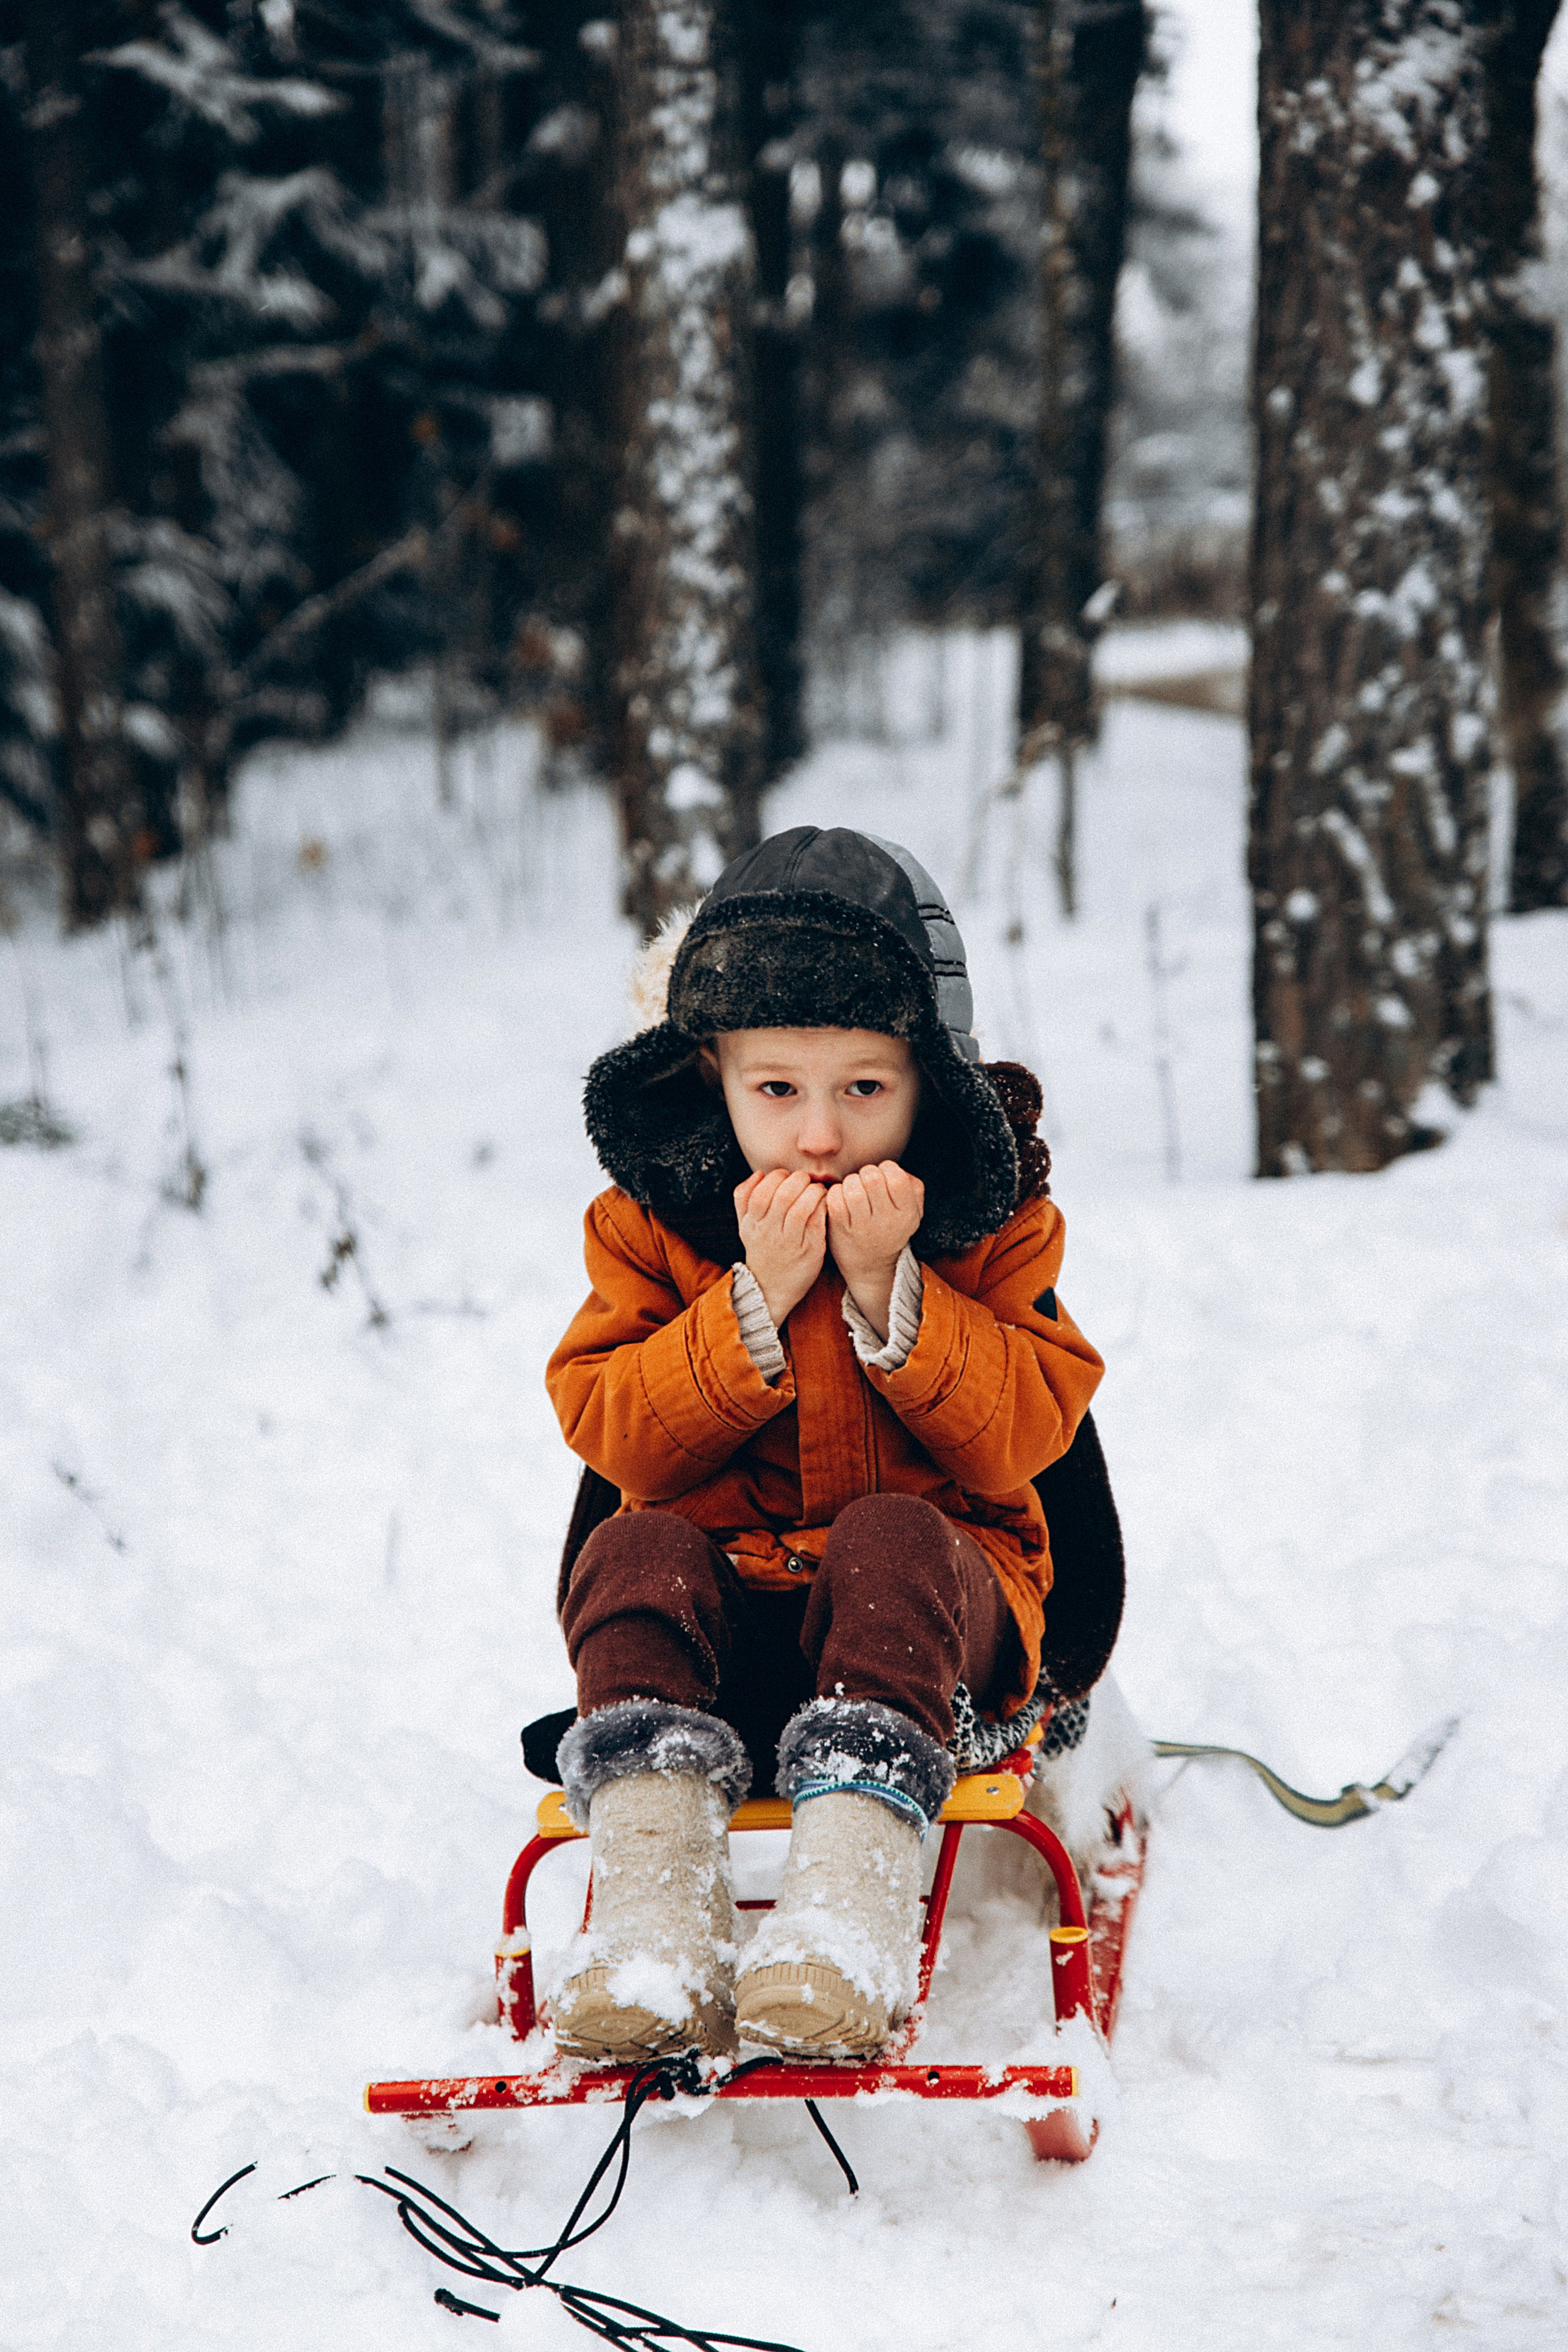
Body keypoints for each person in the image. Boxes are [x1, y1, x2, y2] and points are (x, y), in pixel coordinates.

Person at [543, 826, 1104, 2062]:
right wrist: (747, 1302)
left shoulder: (990, 1223)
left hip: (935, 1638)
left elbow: (1030, 1432)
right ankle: (652, 1931)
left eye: (862, 1089)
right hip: (733, 1635)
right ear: (713, 1081)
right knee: (634, 1551)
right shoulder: (648, 1227)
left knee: (891, 1534)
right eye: (775, 1090)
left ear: (926, 1079)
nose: (816, 1136)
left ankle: (842, 1927)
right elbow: (606, 1422)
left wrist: (890, 1291)